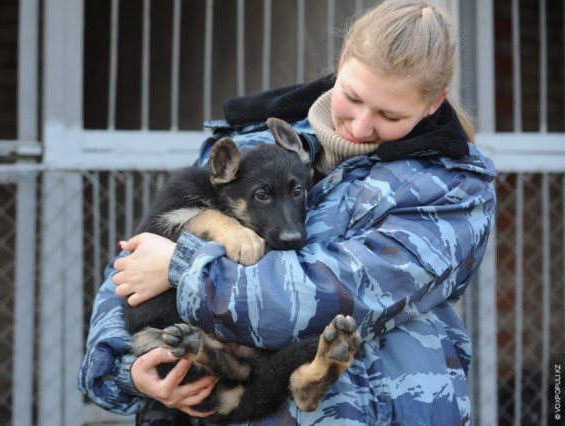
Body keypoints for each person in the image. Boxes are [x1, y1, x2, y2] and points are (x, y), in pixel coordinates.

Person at [78, 0, 497, 424]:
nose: (361, 125)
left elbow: (330, 298)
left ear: (433, 103)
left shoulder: (450, 189)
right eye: (352, 97)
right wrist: (129, 371)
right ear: (341, 61)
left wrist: (182, 268)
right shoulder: (254, 138)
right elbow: (137, 264)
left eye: (389, 114)